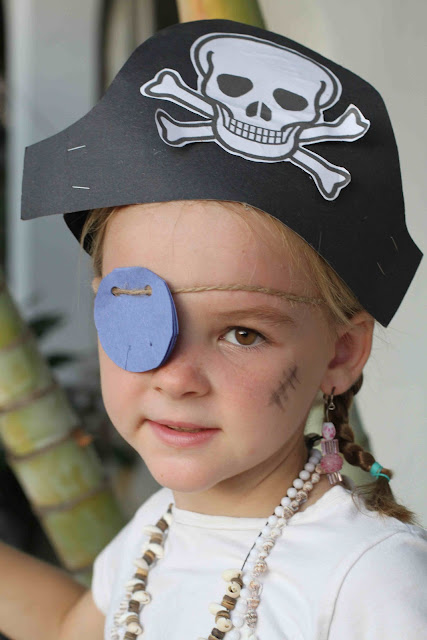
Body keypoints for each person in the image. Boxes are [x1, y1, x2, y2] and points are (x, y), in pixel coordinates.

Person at [1, 18, 426, 640]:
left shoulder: (369, 581)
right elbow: (74, 627)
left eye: (242, 334)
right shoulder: (157, 531)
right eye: (140, 312)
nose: (176, 378)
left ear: (340, 353)